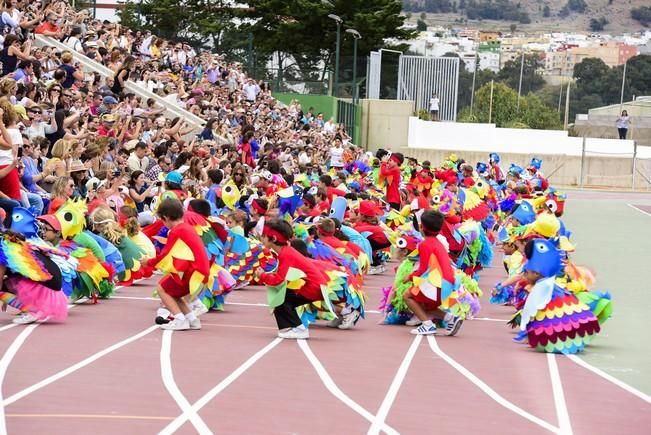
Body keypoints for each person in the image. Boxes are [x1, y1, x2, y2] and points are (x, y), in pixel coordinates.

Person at [254, 219, 333, 339]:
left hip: (313, 287)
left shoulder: (286, 254)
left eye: (264, 237)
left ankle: (299, 328)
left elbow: (278, 280)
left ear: (273, 239)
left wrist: (263, 276)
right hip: (311, 285)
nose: (261, 239)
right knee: (280, 298)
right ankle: (287, 328)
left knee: (282, 299)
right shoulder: (285, 252)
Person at [148, 198, 210, 331]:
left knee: (161, 288)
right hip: (201, 272)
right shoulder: (187, 228)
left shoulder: (177, 231)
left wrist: (148, 262)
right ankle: (192, 319)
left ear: (166, 218)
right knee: (173, 293)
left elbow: (165, 255)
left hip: (194, 273)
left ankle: (179, 319)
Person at [403, 210, 464, 336]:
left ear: (421, 227)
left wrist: (409, 277)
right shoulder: (438, 243)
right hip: (448, 283)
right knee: (426, 306)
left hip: (438, 284)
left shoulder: (425, 244)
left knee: (407, 296)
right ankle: (450, 318)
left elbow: (423, 270)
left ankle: (427, 325)